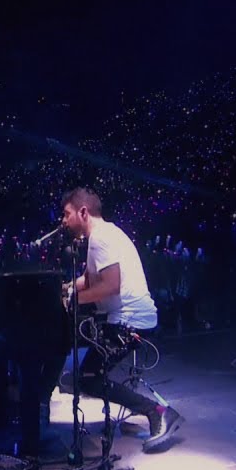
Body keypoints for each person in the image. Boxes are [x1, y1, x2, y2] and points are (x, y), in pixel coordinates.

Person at [44, 187, 183, 452]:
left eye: (66, 214)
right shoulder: (105, 234)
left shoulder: (100, 238)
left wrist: (71, 301)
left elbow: (111, 285)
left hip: (129, 321)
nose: (63, 220)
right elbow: (91, 279)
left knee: (88, 378)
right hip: (125, 318)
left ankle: (157, 412)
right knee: (86, 376)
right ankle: (150, 410)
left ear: (83, 212)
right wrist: (64, 288)